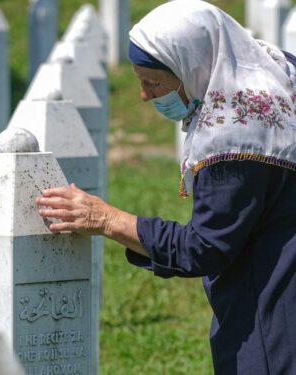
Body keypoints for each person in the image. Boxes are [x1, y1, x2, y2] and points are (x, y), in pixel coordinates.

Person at [36, 1, 296, 373]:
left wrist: (106, 219)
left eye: (152, 83)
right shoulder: (278, 71)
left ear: (191, 69)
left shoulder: (234, 139)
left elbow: (204, 246)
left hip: (275, 312)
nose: (144, 95)